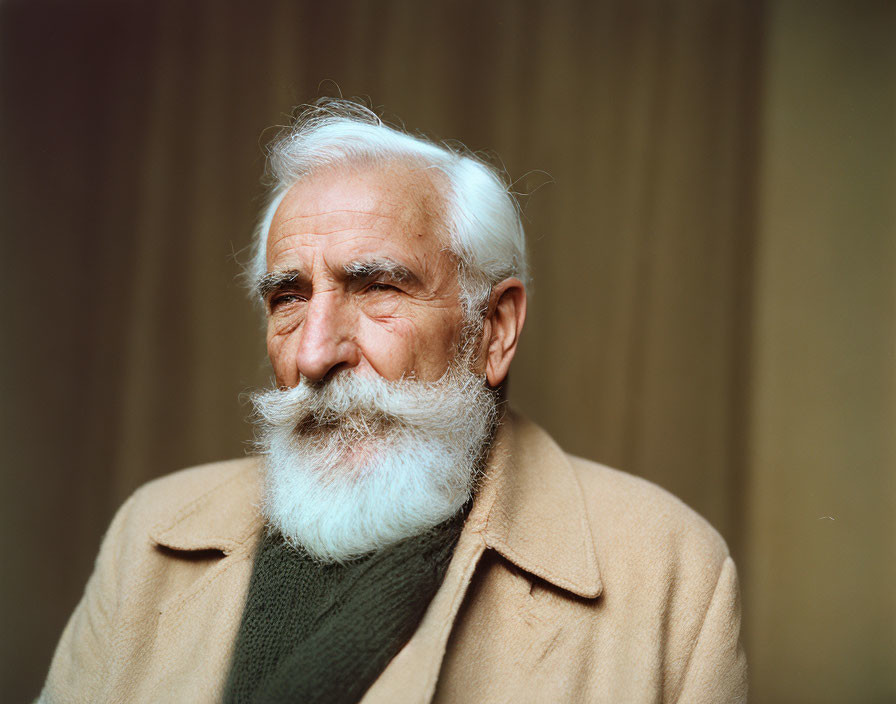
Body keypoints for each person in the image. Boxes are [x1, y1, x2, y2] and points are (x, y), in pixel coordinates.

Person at [40, 98, 747, 703]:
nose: (316, 353)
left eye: (377, 289)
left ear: (493, 330)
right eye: (289, 298)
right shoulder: (150, 538)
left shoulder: (666, 572)